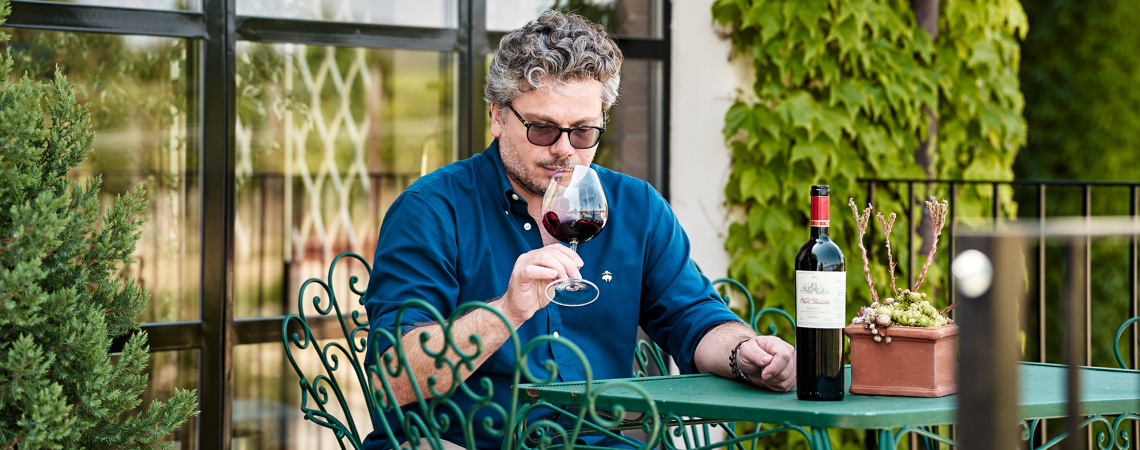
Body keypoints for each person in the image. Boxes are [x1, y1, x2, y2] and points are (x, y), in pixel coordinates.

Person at [362, 10, 796, 449]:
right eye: (542, 129)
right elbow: (390, 379)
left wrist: (743, 353)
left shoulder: (636, 206)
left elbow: (694, 318)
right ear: (497, 116)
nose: (564, 150)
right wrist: (506, 312)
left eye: (584, 132)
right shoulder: (432, 210)